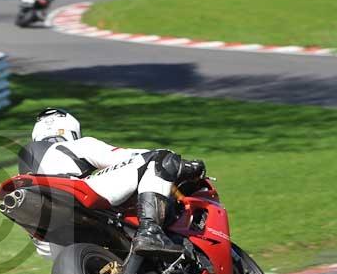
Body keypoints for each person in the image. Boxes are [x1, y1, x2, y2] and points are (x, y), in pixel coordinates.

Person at [18, 108, 205, 257]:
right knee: (160, 158)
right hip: (79, 194)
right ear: (71, 131)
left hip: (52, 242)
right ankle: (150, 231)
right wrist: (184, 165)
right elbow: (129, 157)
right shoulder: (76, 145)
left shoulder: (29, 174)